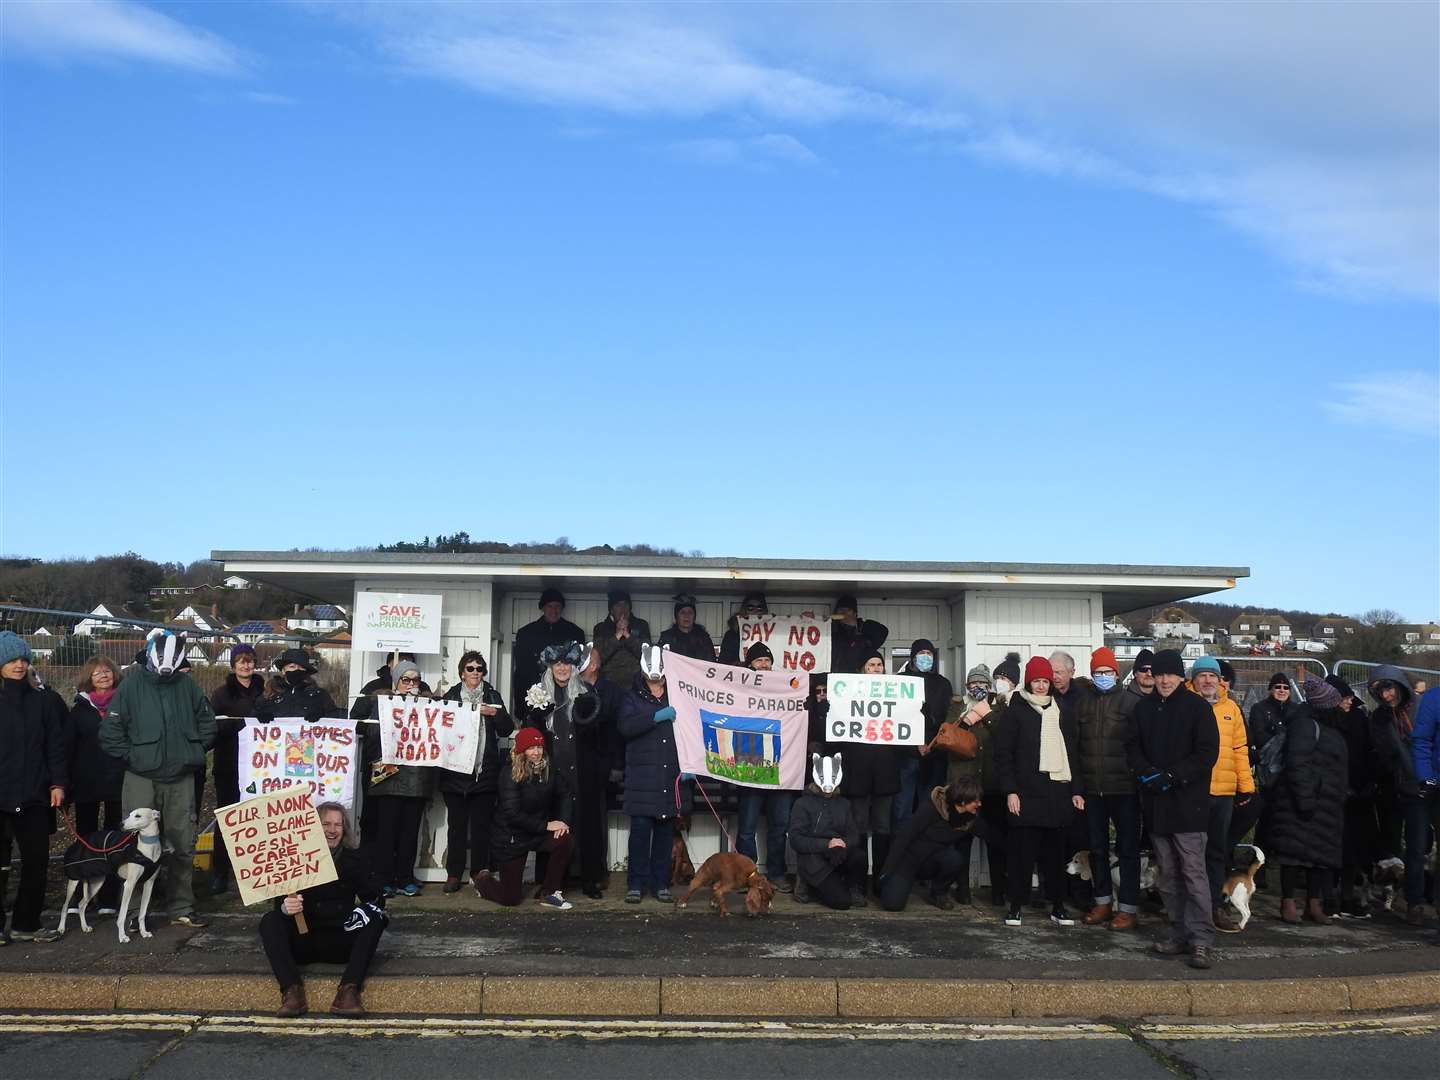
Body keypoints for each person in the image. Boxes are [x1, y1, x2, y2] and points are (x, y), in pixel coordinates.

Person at [99, 630, 214, 928]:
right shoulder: (131, 685)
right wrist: (134, 757)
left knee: (182, 842)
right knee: (134, 843)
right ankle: (135, 910)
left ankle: (181, 907)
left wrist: (194, 751)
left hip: (180, 777)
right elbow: (111, 731)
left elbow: (207, 721)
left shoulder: (186, 685)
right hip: (141, 776)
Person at [1125, 649, 1219, 969]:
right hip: (1157, 804)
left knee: (1193, 873)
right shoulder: (1143, 709)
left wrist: (1174, 775)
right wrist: (1146, 773)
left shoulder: (1197, 709)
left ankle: (1202, 939)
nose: (1164, 680)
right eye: (1159, 674)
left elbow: (1207, 753)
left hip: (1188, 804)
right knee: (1168, 876)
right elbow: (1132, 747)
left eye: (1170, 674)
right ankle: (1179, 932)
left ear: (1181, 677)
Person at [259, 801, 385, 1017]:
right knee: (270, 920)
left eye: (338, 825)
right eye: (326, 824)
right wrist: (284, 909)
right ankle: (292, 991)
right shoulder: (294, 857)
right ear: (314, 827)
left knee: (377, 919)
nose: (332, 830)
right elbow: (278, 904)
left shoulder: (354, 859)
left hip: (339, 939)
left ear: (344, 829)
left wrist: (366, 910)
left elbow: (375, 900)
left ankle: (348, 991)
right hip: (304, 938)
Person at [993, 656, 1083, 927]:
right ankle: (1016, 906)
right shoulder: (1015, 711)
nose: (1042, 686)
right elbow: (1004, 755)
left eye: (1045, 681)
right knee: (1022, 854)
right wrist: (1010, 791)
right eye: (1037, 681)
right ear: (1029, 682)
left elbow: (1072, 753)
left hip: (1057, 791)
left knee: (1055, 855)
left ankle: (1057, 905)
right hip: (1026, 793)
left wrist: (1077, 790)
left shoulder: (1063, 710)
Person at [0, 632, 67, 943]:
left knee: (36, 862)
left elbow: (55, 745)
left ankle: (27, 923)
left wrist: (57, 783)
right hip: (2, 796)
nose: (19, 664)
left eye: (24, 659)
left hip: (36, 795)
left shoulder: (43, 701)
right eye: (12, 659)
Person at [1269, 676, 1348, 924]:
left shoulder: (1329, 728)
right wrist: (1305, 798)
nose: (1343, 706)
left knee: (1319, 856)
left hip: (1325, 804)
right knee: (1294, 855)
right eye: (1339, 703)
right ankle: (1288, 902)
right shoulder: (1305, 725)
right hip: (1304, 801)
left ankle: (1313, 903)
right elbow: (1297, 763)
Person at [523, 640, 600, 895]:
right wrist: (536, 714)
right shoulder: (539, 694)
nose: (562, 668)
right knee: (554, 823)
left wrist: (585, 714)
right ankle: (550, 882)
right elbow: (530, 731)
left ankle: (588, 880)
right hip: (550, 769)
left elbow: (596, 728)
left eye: (567, 663)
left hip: (580, 768)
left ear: (574, 666)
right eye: (557, 663)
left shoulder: (586, 692)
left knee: (584, 824)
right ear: (550, 667)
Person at [436, 651, 513, 893]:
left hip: (484, 771)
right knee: (457, 827)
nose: (475, 673)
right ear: (461, 672)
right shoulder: (449, 697)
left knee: (481, 827)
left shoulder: (492, 696)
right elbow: (437, 727)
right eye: (470, 668)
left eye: (479, 669)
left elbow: (506, 729)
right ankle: (453, 874)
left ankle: (480, 873)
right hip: (455, 773)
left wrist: (495, 713)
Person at [1076, 647, 1142, 930]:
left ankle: (1128, 908)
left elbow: (1140, 745)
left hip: (1124, 789)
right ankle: (1102, 901)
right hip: (1093, 788)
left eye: (1107, 672)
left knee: (1128, 849)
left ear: (1116, 674)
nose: (1103, 676)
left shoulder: (1131, 703)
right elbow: (1076, 747)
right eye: (1098, 673)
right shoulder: (1084, 703)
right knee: (1097, 848)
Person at [474, 726, 575, 909]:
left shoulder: (548, 769)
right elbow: (513, 814)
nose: (536, 752)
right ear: (522, 750)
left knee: (564, 839)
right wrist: (546, 825)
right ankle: (482, 881)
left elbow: (565, 793)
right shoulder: (509, 773)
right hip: (511, 837)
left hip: (536, 831)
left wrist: (563, 822)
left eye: (539, 747)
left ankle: (550, 892)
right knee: (511, 899)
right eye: (530, 748)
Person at [1189, 655, 1255, 933]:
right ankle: (1192, 906)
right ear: (1193, 680)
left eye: (1211, 676)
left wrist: (1246, 785)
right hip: (1193, 791)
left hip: (1224, 792)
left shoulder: (1231, 709)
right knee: (1191, 853)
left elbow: (1240, 749)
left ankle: (1216, 904)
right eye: (1201, 676)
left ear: (1219, 680)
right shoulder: (1187, 706)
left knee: (1217, 852)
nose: (1207, 681)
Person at [359, 659, 435, 897]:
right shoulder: (383, 703)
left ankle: (404, 877)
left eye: (415, 679)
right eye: (406, 679)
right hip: (388, 776)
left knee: (409, 832)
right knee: (386, 832)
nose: (411, 684)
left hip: (416, 777)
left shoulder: (428, 705)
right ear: (397, 682)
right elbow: (370, 733)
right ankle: (383, 879)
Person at [617, 644, 684, 903]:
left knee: (665, 835)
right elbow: (625, 726)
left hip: (669, 775)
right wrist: (656, 717)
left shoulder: (677, 693)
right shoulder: (631, 696)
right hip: (642, 777)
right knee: (641, 834)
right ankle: (636, 883)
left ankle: (660, 883)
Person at [832, 649, 900, 906]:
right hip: (858, 773)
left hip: (885, 773)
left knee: (883, 829)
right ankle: (856, 882)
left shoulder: (896, 693)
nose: (876, 669)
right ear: (862, 669)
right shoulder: (847, 692)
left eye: (879, 665)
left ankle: (881, 881)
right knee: (858, 829)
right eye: (871, 665)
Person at [1367, 666, 1432, 926]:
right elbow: (1386, 753)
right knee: (1415, 848)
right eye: (1381, 691)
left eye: (1389, 688)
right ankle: (1415, 902)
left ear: (1400, 686)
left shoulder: (1423, 708)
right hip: (1410, 787)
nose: (1386, 695)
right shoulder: (1380, 719)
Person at [878, 778, 1003, 912]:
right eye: (975, 801)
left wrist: (1018, 849)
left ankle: (938, 893)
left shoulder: (970, 818)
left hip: (933, 860)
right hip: (909, 860)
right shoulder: (930, 809)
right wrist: (887, 870)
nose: (979, 804)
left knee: (954, 859)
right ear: (962, 801)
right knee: (892, 905)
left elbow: (991, 836)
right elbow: (904, 837)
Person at [66, 656, 128, 912]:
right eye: (97, 673)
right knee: (87, 838)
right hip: (87, 783)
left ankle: (109, 896)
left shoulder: (125, 704)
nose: (103, 676)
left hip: (118, 779)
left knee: (115, 838)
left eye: (107, 671)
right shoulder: (79, 710)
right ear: (88, 679)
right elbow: (69, 746)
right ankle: (84, 894)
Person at [733, 643, 794, 891]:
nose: (764, 665)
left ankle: (776, 873)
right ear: (750, 665)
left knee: (779, 826)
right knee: (747, 827)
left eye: (767, 661)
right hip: (750, 767)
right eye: (758, 661)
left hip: (781, 768)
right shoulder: (739, 690)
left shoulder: (785, 691)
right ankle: (746, 876)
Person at [207, 643, 266, 894]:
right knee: (227, 819)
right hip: (229, 765)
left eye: (250, 660)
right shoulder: (221, 694)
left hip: (261, 766)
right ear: (233, 665)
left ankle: (256, 871)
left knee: (259, 819)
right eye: (241, 661)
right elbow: (213, 729)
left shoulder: (266, 690)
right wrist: (243, 725)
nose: (246, 665)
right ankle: (220, 872)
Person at [944, 663, 1002, 906]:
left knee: (995, 838)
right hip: (962, 783)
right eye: (973, 683)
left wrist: (985, 714)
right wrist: (966, 720)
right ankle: (963, 888)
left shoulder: (999, 708)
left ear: (989, 687)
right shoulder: (956, 706)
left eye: (982, 684)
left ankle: (999, 890)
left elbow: (1004, 735)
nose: (977, 687)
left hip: (990, 783)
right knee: (962, 838)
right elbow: (946, 736)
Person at [575, 643, 625, 898]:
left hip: (601, 765)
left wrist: (617, 766)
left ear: (593, 665)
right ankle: (571, 872)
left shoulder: (612, 691)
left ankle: (596, 873)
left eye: (585, 659)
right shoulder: (571, 688)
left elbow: (618, 731)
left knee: (596, 822)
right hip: (574, 764)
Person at [1328, 674, 1379, 918]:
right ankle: (1331, 896)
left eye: (1349, 697)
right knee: (1335, 846)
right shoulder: (1328, 721)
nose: (1348, 702)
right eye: (1344, 698)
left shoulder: (1360, 718)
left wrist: (1369, 783)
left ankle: (1348, 895)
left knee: (1355, 849)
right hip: (1336, 792)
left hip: (1360, 791)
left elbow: (1370, 752)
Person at [788, 752, 866, 909]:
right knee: (842, 902)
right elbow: (796, 839)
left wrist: (842, 843)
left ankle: (853, 888)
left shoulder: (844, 804)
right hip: (814, 858)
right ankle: (809, 884)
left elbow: (854, 835)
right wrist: (826, 844)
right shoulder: (802, 804)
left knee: (859, 857)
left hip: (838, 854)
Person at [896, 639, 953, 832]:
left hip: (934, 752)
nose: (926, 657)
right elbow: (897, 717)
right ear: (913, 657)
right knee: (902, 806)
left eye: (929, 654)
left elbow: (947, 719)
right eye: (922, 653)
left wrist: (931, 744)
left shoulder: (943, 684)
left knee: (929, 806)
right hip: (906, 753)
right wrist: (915, 744)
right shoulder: (901, 680)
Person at [511, 589, 585, 715]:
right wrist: (520, 709)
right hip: (534, 700)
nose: (554, 610)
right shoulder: (526, 634)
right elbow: (520, 674)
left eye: (557, 606)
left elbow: (580, 671)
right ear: (543, 607)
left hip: (565, 700)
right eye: (550, 606)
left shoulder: (574, 632)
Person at [257, 648, 341, 724]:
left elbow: (335, 718)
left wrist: (322, 715)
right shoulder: (269, 693)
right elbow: (252, 715)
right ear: (283, 670)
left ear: (306, 671)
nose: (296, 670)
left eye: (301, 668)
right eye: (292, 667)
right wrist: (260, 715)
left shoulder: (319, 694)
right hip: (275, 739)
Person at [594, 590, 652, 690]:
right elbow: (597, 658)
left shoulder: (641, 625)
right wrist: (617, 636)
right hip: (608, 683)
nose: (622, 609)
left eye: (625, 605)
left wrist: (628, 636)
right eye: (618, 605)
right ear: (611, 610)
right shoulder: (601, 628)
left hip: (636, 683)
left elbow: (647, 656)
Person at [830, 595, 889, 674]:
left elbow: (883, 631)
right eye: (841, 610)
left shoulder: (863, 631)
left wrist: (857, 625)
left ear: (855, 613)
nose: (844, 613)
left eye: (848, 610)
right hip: (836, 677)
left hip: (858, 678)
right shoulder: (831, 630)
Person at [658, 595, 716, 661]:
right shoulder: (667, 637)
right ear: (676, 616)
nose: (686, 616)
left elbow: (711, 662)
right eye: (682, 612)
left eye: (690, 612)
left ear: (694, 616)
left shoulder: (703, 638)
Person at [719, 592, 768, 666]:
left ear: (764, 612)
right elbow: (724, 662)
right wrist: (746, 665)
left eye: (759, 608)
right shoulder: (732, 635)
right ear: (744, 610)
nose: (755, 611)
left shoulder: (773, 633)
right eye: (750, 608)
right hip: (740, 675)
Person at [357, 651, 431, 698]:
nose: (403, 665)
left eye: (407, 661)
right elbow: (357, 716)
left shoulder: (422, 686)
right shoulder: (373, 686)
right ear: (389, 663)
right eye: (400, 660)